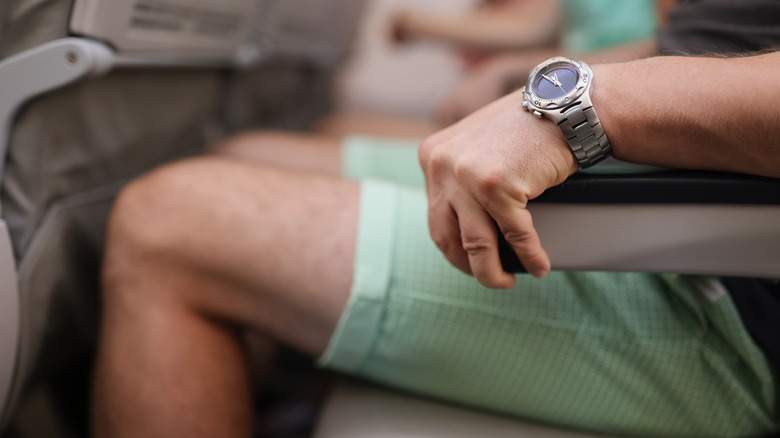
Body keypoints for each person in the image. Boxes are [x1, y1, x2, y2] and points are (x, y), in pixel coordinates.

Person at [92, 1, 780, 437]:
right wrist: (543, 75)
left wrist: (587, 105)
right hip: (646, 190)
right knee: (249, 155)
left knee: (168, 223)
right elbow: (708, 48)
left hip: (718, 296)